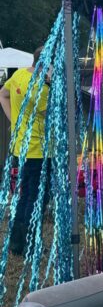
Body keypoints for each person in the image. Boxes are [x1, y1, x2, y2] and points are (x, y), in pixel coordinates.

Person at [0, 47, 48, 255]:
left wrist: (15, 121)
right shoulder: (42, 88)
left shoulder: (19, 75)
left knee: (25, 195)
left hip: (21, 148)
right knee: (36, 199)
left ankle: (17, 242)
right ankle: (30, 244)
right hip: (39, 151)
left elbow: (3, 95)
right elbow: (53, 115)